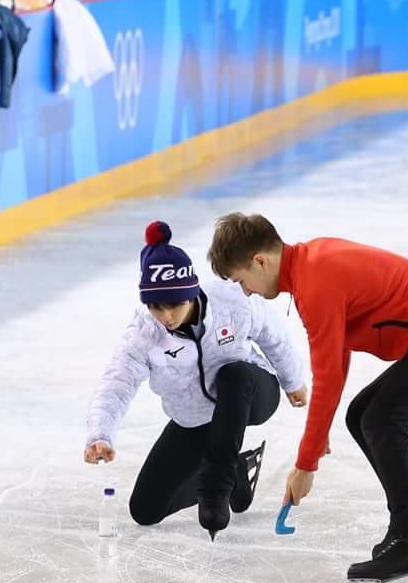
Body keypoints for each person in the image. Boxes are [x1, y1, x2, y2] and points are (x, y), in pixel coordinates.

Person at [207, 213, 408, 583]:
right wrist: (319, 434)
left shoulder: (315, 282)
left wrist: (306, 463)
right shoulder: (311, 264)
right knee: (362, 414)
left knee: (382, 420)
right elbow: (338, 356)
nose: (246, 291)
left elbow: (327, 374)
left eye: (241, 280)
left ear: (260, 261)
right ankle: (406, 529)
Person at [84, 222, 308, 540]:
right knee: (145, 510)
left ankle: (217, 485)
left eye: (174, 305)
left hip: (252, 394)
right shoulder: (144, 334)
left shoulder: (232, 299)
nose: (166, 317)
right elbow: (116, 384)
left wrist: (293, 380)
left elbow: (274, 335)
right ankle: (237, 473)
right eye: (155, 307)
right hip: (197, 417)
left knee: (234, 372)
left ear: (191, 294)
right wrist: (100, 434)